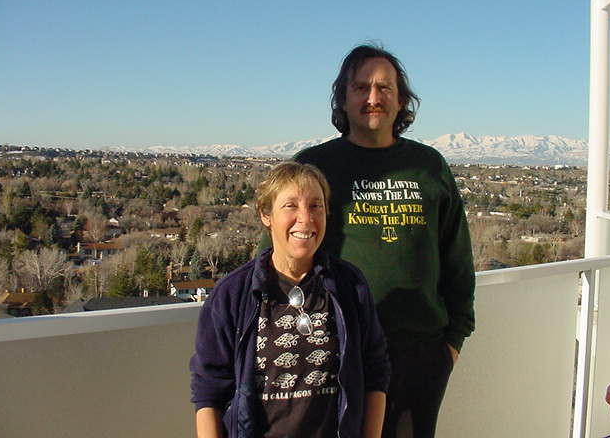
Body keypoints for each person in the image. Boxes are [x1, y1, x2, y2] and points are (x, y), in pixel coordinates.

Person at [292, 44, 476, 438]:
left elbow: (457, 258)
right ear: (343, 98)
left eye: (384, 88)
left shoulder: (429, 167)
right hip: (333, 351)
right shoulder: (314, 166)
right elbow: (278, 257)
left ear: (401, 99)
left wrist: (451, 344)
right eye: (361, 88)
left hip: (418, 355)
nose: (372, 98)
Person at [190, 162, 390, 438]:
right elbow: (209, 392)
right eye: (290, 206)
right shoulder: (232, 295)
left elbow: (375, 372)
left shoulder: (349, 286)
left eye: (316, 206)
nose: (305, 218)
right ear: (266, 215)